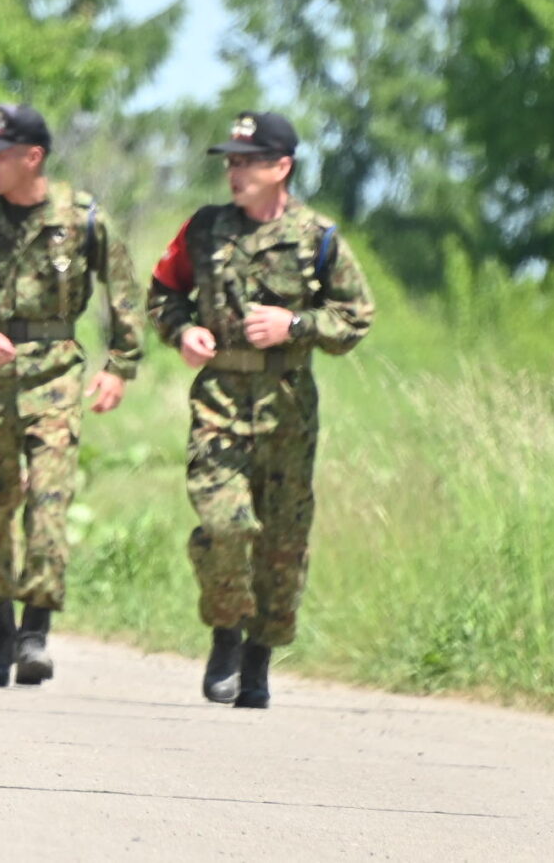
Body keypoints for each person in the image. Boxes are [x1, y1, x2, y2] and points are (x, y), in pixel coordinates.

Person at [147, 111, 373, 710]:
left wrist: (295, 324)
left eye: (247, 161)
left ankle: (259, 656)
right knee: (225, 526)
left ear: (282, 167)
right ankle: (225, 632)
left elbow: (356, 318)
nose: (234, 171)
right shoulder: (204, 229)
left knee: (281, 543)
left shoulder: (318, 238)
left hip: (288, 410)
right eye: (230, 161)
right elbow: (163, 293)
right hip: (219, 402)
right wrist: (183, 332)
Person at [0, 104, 141, 687]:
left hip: (54, 374)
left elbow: (122, 291)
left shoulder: (82, 218)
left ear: (32, 158)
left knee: (49, 504)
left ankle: (36, 631)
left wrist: (120, 364)